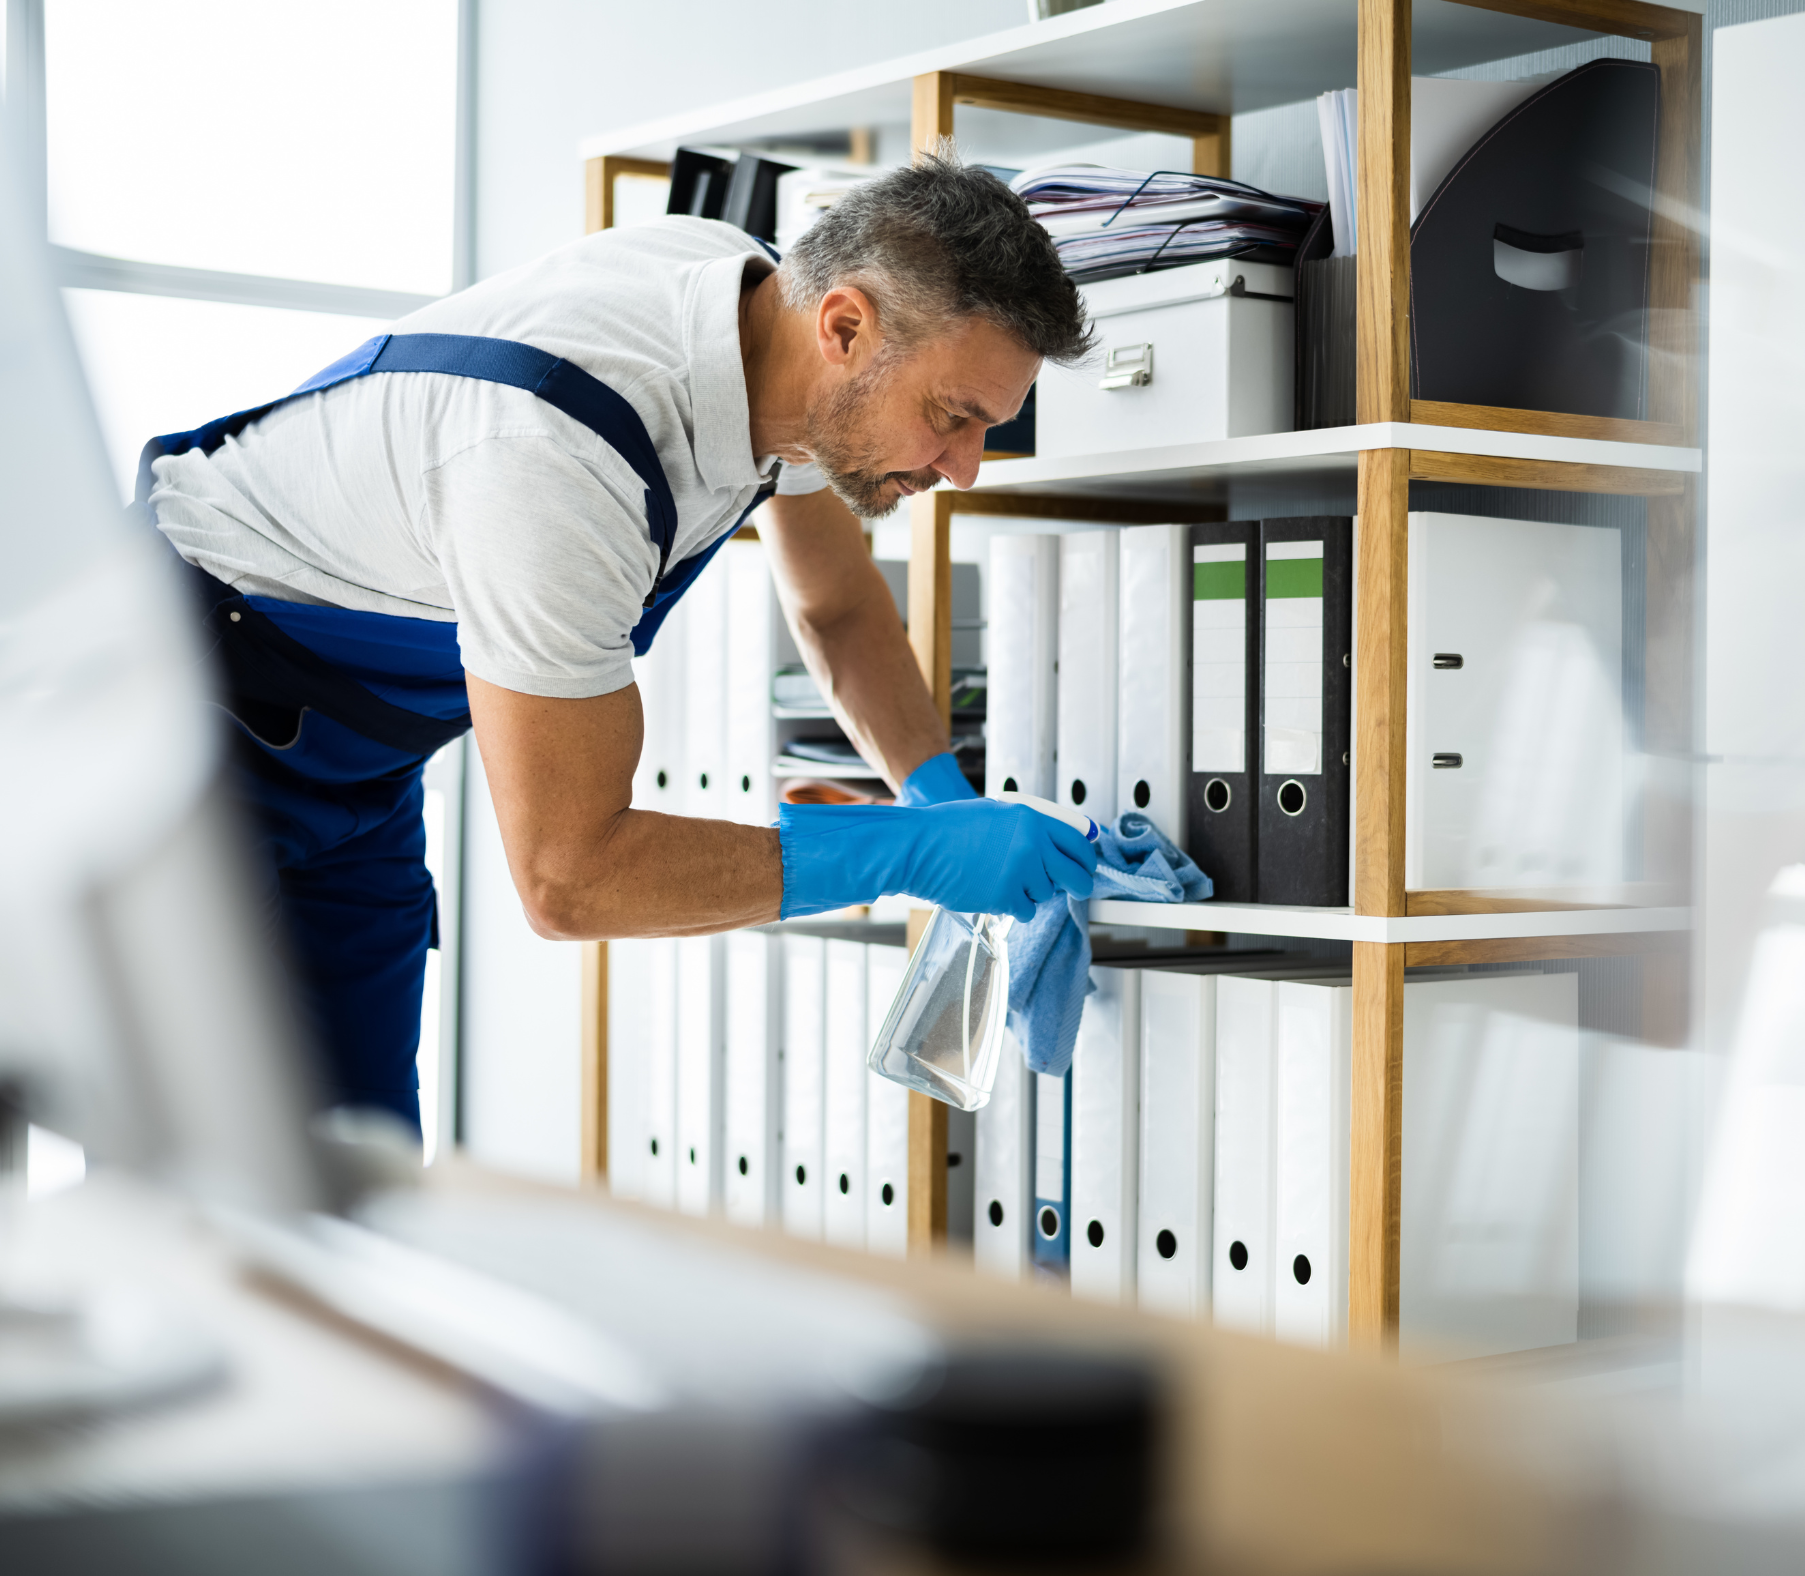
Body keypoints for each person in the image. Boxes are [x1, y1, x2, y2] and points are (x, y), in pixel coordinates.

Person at [144, 146, 1099, 1128]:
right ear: (844, 327)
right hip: (174, 722)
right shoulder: (555, 457)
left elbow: (837, 610)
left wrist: (934, 789)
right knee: (183, 1166)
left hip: (357, 757)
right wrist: (909, 853)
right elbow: (568, 877)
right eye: (953, 417)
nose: (968, 468)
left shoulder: (772, 336)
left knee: (362, 1157)